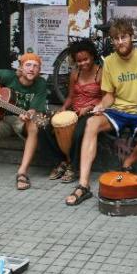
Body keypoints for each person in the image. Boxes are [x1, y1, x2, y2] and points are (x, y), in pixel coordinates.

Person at [65, 20, 137, 206]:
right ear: (112, 41)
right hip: (118, 111)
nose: (120, 42)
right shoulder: (110, 62)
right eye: (116, 39)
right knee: (91, 123)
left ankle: (127, 164)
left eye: (124, 37)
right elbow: (109, 96)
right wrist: (100, 105)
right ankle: (83, 184)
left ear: (131, 37)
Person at [0, 53, 47, 191]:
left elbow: (34, 111)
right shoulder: (9, 76)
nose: (32, 69)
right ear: (20, 68)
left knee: (34, 125)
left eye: (35, 66)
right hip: (3, 119)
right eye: (28, 65)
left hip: (21, 121)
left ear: (39, 70)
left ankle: (22, 172)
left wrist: (30, 114)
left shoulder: (41, 83)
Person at [46, 39, 103, 183]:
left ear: (92, 56)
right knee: (45, 126)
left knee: (78, 132)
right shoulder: (75, 74)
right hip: (74, 110)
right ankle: (60, 162)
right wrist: (63, 108)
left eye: (86, 59)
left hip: (92, 111)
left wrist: (89, 108)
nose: (83, 63)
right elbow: (71, 96)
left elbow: (105, 99)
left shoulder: (100, 73)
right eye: (79, 61)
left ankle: (73, 166)